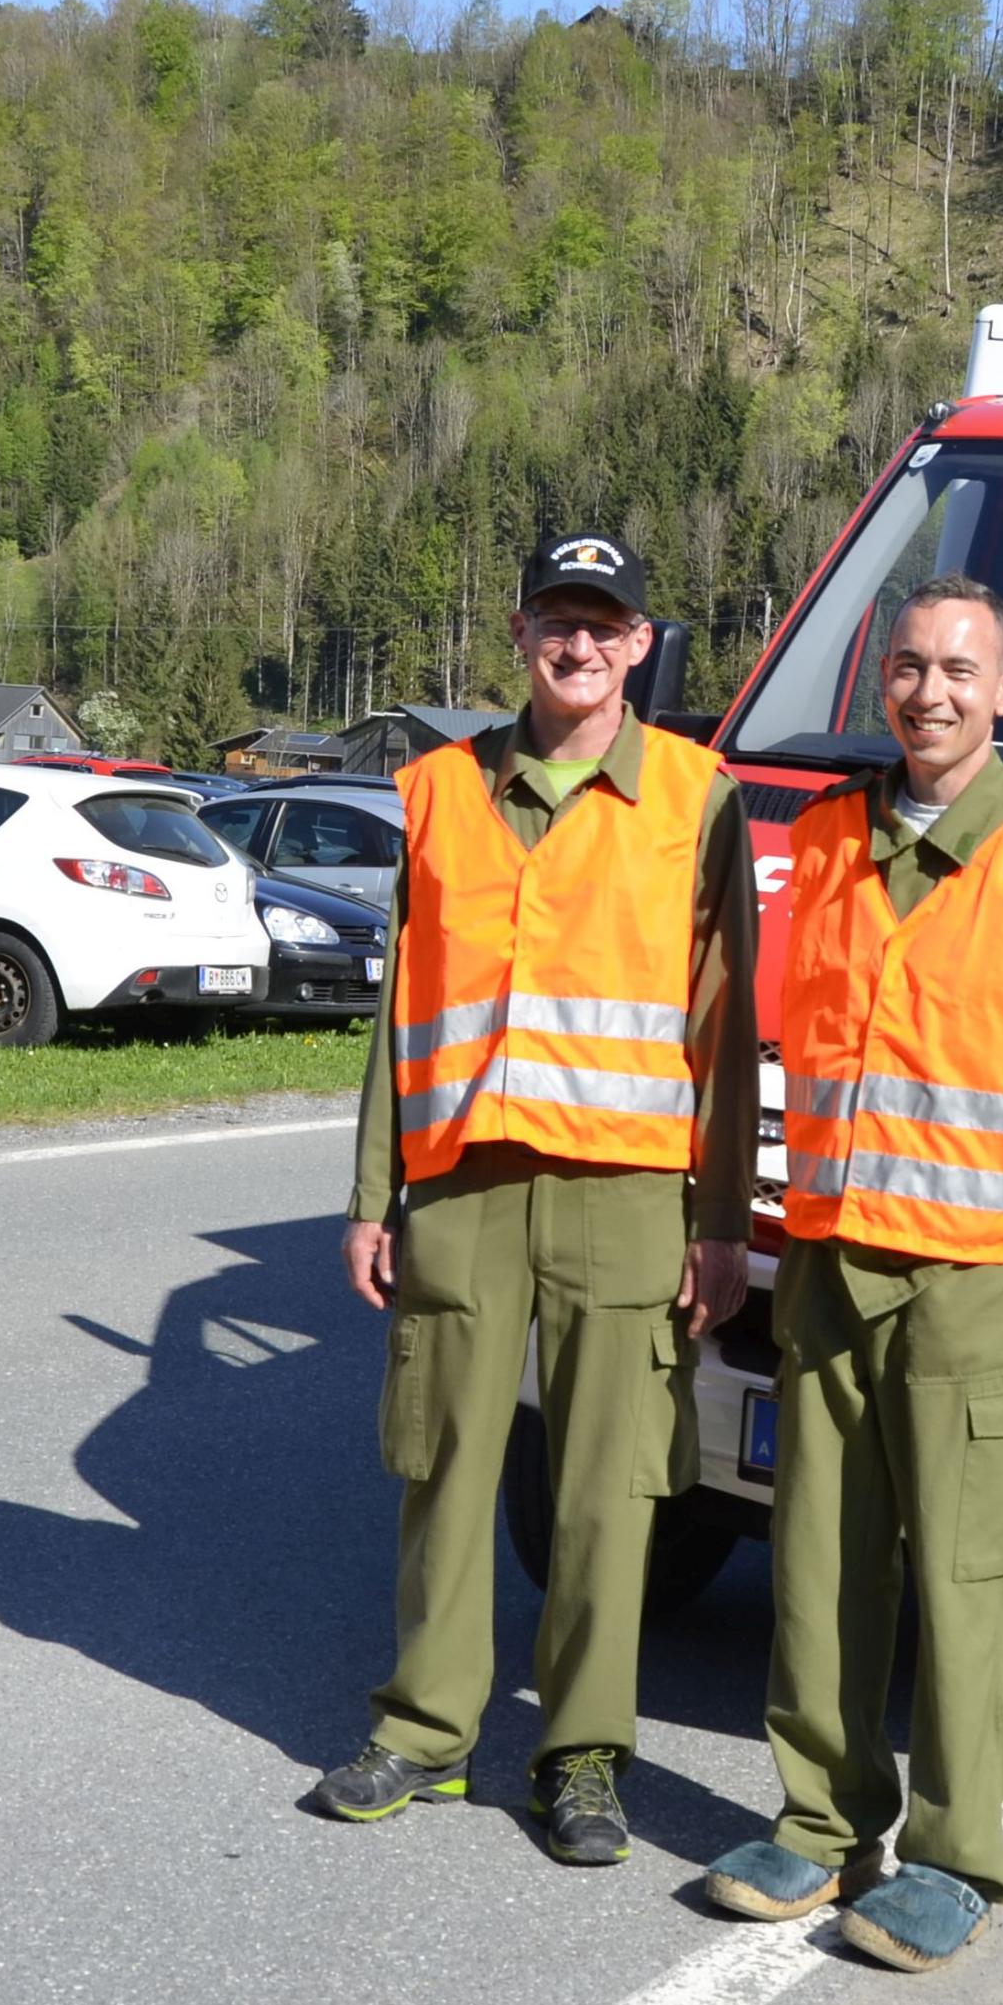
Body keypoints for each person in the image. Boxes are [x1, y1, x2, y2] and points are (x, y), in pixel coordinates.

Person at [693, 576, 1003, 1972]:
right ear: (880, 682)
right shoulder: (828, 835)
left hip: (972, 1283)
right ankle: (823, 1826)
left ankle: (956, 1859)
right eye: (906, 666)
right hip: (831, 1267)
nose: (928, 692)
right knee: (821, 1563)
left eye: (958, 669)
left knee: (963, 1575)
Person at [315, 533, 755, 1866]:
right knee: (446, 1462)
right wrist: (376, 1191)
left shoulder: (699, 797)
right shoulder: (439, 790)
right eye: (558, 620)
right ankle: (428, 1729)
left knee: (606, 1490)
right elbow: (401, 1011)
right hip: (463, 1181)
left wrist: (721, 1221)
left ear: (639, 645)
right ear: (519, 634)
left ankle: (582, 1756)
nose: (578, 645)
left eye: (603, 625)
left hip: (624, 1190)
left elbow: (728, 1026)